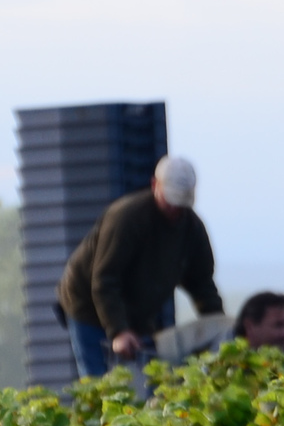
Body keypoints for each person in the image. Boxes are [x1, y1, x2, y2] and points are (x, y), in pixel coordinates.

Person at [57, 154, 223, 379]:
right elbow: (105, 280)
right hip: (88, 305)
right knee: (98, 382)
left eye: (182, 204)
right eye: (171, 201)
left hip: (138, 311)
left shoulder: (192, 229)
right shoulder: (127, 218)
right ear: (155, 185)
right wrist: (119, 331)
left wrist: (220, 327)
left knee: (146, 380)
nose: (176, 210)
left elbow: (202, 283)